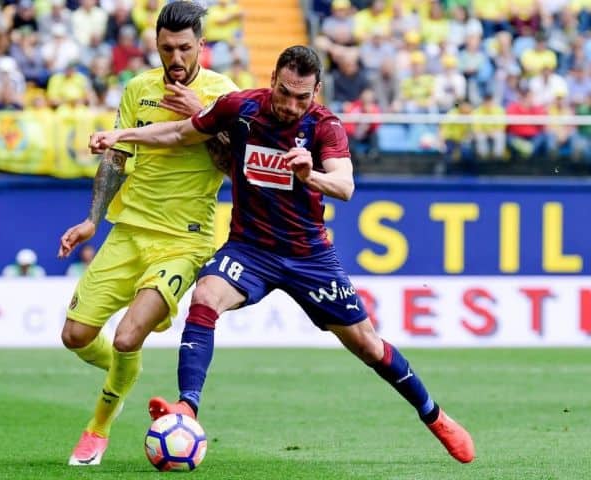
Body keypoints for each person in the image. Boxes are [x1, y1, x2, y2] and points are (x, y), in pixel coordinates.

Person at [89, 45, 476, 464]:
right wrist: (120, 135)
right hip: (250, 248)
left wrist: (313, 176)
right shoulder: (240, 108)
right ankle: (188, 408)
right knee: (204, 298)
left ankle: (434, 415)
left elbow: (345, 187)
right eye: (285, 92)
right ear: (272, 79)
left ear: (317, 91)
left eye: (302, 97)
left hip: (308, 256)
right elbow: (181, 133)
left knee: (367, 344)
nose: (292, 105)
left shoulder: (324, 125)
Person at [56, 1, 238, 466]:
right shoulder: (138, 89)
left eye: (183, 48)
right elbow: (116, 159)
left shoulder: (225, 95)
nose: (175, 59)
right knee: (75, 335)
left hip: (184, 240)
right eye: (165, 49)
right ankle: (126, 372)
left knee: (125, 336)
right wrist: (92, 220)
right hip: (128, 230)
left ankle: (97, 429)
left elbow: (235, 166)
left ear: (202, 45)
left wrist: (205, 118)